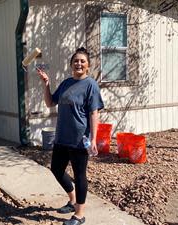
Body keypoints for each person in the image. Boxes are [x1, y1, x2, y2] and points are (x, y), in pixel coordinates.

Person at [36, 47, 104, 225]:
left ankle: (80, 214)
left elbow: (94, 113)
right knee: (56, 169)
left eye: (82, 61)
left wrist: (94, 139)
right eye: (76, 61)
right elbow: (51, 103)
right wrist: (46, 84)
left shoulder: (91, 85)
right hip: (62, 137)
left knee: (80, 175)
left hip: (80, 139)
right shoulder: (66, 83)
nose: (79, 63)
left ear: (88, 65)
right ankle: (72, 201)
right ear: (71, 64)